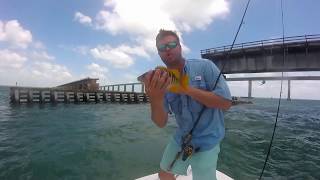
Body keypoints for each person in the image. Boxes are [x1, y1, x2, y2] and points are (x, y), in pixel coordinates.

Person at [142, 29, 232, 180]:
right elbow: (161, 122)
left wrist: (186, 89)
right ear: (158, 54)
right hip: (182, 138)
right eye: (162, 48)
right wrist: (155, 99)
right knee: (164, 174)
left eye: (172, 44)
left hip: (208, 140)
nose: (168, 49)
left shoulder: (205, 66)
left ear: (180, 47)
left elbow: (226, 103)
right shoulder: (161, 80)